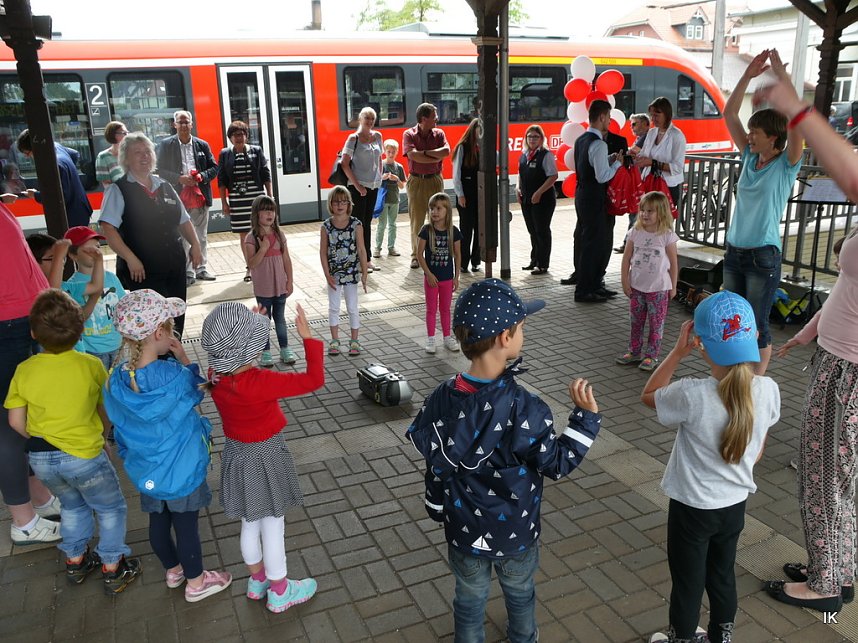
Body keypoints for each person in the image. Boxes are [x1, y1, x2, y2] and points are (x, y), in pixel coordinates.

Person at [406, 278, 602, 642]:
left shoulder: (441, 399)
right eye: (522, 326)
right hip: (516, 533)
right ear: (504, 338)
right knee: (520, 592)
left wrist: (436, 506)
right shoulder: (525, 408)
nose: (524, 332)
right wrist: (585, 420)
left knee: (468, 597)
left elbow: (436, 464)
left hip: (463, 530)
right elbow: (556, 463)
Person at [755, 53, 858, 613]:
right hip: (836, 358)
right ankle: (834, 566)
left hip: (850, 372)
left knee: (826, 478)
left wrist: (794, 107)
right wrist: (810, 331)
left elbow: (850, 172)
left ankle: (826, 585)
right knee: (829, 475)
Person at [641, 292, 780, 643]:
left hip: (692, 509)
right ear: (751, 338)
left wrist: (676, 352)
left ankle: (683, 638)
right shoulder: (768, 390)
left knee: (688, 582)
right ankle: (721, 636)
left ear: (700, 343)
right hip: (733, 507)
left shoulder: (692, 394)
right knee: (721, 575)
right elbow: (757, 453)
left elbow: (649, 395)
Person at [4, 289, 141, 593]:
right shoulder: (90, 365)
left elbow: (15, 422)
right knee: (109, 508)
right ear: (80, 331)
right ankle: (112, 565)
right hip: (84, 455)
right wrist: (102, 436)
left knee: (72, 506)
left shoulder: (24, 370)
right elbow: (106, 410)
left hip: (42, 459)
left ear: (32, 332)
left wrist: (43, 439)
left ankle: (76, 560)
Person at [103, 289, 232, 603]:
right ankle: (197, 582)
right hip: (181, 470)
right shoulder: (172, 375)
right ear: (159, 333)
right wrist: (185, 358)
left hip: (146, 470)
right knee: (186, 527)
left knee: (158, 522)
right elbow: (202, 389)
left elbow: (115, 422)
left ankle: (173, 571)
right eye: (171, 328)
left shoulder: (117, 379)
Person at [201, 301, 324, 614]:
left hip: (237, 457)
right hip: (266, 457)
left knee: (249, 523)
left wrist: (248, 327)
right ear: (251, 348)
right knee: (273, 526)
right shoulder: (261, 382)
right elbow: (313, 380)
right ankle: (280, 589)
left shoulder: (216, 378)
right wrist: (308, 337)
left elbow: (231, 353)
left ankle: (257, 582)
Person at [722, 49, 803, 375]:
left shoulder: (787, 164)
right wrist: (748, 76)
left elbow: (798, 118)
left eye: (756, 132)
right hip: (734, 252)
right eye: (750, 131)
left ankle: (754, 390)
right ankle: (732, 379)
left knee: (757, 326)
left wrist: (782, 76)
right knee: (732, 321)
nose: (749, 135)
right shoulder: (749, 158)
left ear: (774, 138)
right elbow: (729, 114)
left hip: (762, 257)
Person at [98, 132, 202, 337]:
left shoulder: (164, 186)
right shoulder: (118, 190)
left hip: (174, 263)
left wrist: (196, 246)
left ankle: (174, 356)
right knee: (151, 322)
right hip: (142, 269)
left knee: (175, 315)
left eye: (147, 151)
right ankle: (156, 362)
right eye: (137, 153)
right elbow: (108, 229)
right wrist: (130, 259)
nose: (144, 156)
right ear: (126, 158)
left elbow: (184, 220)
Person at [1, 205, 62, 547]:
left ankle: (37, 496)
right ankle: (23, 521)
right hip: (6, 323)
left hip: (17, 320)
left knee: (17, 420)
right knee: (9, 425)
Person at [565, 100, 622, 302]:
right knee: (593, 244)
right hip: (593, 196)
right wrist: (617, 164)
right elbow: (602, 176)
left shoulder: (581, 139)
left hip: (582, 194)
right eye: (608, 117)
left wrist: (610, 159)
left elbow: (591, 165)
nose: (609, 121)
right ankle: (585, 289)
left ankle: (595, 285)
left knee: (591, 241)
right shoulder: (598, 143)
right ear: (602, 117)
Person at [616, 192, 679, 372]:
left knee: (655, 324)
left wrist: (673, 287)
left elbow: (674, 263)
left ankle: (652, 355)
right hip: (637, 287)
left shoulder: (667, 235)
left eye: (650, 211)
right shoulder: (635, 232)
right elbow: (626, 258)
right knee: (635, 322)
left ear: (661, 212)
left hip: (659, 289)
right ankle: (634, 351)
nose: (644, 214)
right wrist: (625, 281)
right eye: (642, 210)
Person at [156, 110, 220, 285]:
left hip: (199, 197)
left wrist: (202, 177)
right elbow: (159, 170)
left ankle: (201, 268)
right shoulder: (166, 145)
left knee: (201, 235)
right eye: (180, 122)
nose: (184, 125)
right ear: (174, 124)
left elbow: (214, 167)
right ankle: (187, 271)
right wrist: (179, 178)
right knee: (182, 236)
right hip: (176, 198)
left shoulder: (202, 145)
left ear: (192, 124)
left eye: (187, 122)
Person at [59, 226, 125, 371]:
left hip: (118, 346)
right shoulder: (73, 285)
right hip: (92, 350)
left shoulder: (111, 278)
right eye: (89, 250)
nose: (96, 253)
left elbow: (124, 306)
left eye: (97, 247)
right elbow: (79, 318)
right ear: (73, 255)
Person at [243, 195, 296, 366]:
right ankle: (265, 352)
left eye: (272, 209)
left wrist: (290, 281)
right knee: (264, 320)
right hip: (263, 288)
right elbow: (252, 263)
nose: (270, 213)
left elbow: (287, 260)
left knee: (280, 318)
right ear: (256, 214)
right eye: (265, 210)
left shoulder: (279, 234)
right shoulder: (251, 238)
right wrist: (264, 248)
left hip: (280, 285)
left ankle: (285, 348)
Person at [217, 120, 273, 283]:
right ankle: (250, 267)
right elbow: (222, 180)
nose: (239, 137)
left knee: (261, 231)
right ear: (230, 138)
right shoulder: (225, 154)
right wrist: (224, 203)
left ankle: (262, 265)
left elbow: (265, 173)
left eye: (241, 134)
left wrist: (269, 196)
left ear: (247, 136)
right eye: (235, 135)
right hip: (237, 200)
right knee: (244, 235)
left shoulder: (256, 151)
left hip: (256, 199)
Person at [320, 185, 368, 357]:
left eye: (343, 201)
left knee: (352, 307)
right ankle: (335, 340)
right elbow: (323, 252)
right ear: (330, 204)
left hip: (352, 274)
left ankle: (354, 341)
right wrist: (326, 274)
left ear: (349, 204)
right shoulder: (326, 226)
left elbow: (362, 250)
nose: (340, 205)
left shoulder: (356, 225)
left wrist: (364, 273)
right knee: (333, 307)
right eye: (336, 202)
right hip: (333, 275)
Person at [403, 103, 450, 269]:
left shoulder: (439, 133)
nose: (437, 119)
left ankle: (436, 252)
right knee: (417, 220)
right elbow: (412, 156)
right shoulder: (409, 134)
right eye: (434, 116)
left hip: (435, 179)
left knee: (439, 218)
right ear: (424, 119)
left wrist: (422, 155)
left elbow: (446, 152)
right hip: (416, 181)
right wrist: (433, 156)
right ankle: (416, 255)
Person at [16, 129, 93, 228]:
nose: (27, 156)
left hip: (71, 215)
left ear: (35, 148)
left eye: (27, 153)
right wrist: (69, 175)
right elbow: (74, 154)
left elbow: (59, 197)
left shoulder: (54, 164)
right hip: (81, 207)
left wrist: (35, 195)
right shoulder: (56, 146)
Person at [417, 192, 461, 354]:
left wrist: (456, 277)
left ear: (447, 211)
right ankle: (430, 338)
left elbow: (458, 255)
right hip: (431, 279)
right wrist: (428, 274)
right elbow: (419, 254)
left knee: (445, 309)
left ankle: (447, 337)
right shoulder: (426, 230)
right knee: (431, 309)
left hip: (447, 279)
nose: (434, 212)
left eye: (438, 208)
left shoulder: (453, 231)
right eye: (431, 208)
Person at [341, 106, 383, 272]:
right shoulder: (353, 138)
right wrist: (358, 186)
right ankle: (359, 260)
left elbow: (380, 158)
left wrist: (379, 176)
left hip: (373, 186)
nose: (370, 122)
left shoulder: (377, 136)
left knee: (367, 223)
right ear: (360, 119)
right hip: (358, 188)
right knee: (358, 224)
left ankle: (367, 259)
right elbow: (344, 164)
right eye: (367, 118)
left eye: (372, 119)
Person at [517, 124, 558, 276]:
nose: (532, 139)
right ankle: (534, 260)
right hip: (527, 198)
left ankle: (543, 264)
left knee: (542, 231)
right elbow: (521, 174)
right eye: (529, 136)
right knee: (532, 231)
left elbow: (553, 176)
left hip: (543, 200)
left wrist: (539, 192)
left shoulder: (545, 155)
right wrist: (518, 189)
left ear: (541, 139)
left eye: (535, 136)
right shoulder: (524, 154)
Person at [635, 97, 687, 213]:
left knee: (662, 224)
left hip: (668, 186)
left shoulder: (677, 136)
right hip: (649, 183)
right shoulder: (652, 132)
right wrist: (633, 157)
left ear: (666, 114)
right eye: (652, 115)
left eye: (657, 115)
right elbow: (644, 154)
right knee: (647, 221)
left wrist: (652, 162)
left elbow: (677, 168)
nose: (653, 119)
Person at [616, 114, 649, 253]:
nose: (631, 127)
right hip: (639, 181)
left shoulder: (644, 138)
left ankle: (628, 244)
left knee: (635, 214)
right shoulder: (641, 139)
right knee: (635, 214)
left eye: (634, 124)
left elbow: (630, 153)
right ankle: (629, 243)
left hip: (640, 182)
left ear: (645, 124)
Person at [452, 118, 481, 274]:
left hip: (480, 194)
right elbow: (456, 175)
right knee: (466, 228)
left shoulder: (483, 148)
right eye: (479, 129)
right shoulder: (462, 147)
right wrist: (460, 195)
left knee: (479, 227)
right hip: (466, 194)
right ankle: (463, 262)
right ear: (473, 130)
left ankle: (476, 260)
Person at [375, 139, 406, 260]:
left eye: (393, 152)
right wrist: (382, 178)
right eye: (388, 151)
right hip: (382, 200)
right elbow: (374, 183)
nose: (391, 154)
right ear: (385, 152)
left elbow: (402, 185)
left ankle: (391, 247)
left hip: (394, 200)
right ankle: (377, 248)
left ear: (397, 152)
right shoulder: (380, 165)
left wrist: (397, 179)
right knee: (381, 225)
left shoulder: (399, 167)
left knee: (393, 224)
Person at [95, 121, 128, 187]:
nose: (127, 135)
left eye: (127, 132)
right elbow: (107, 185)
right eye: (123, 133)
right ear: (113, 135)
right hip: (118, 195)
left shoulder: (131, 153)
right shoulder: (103, 157)